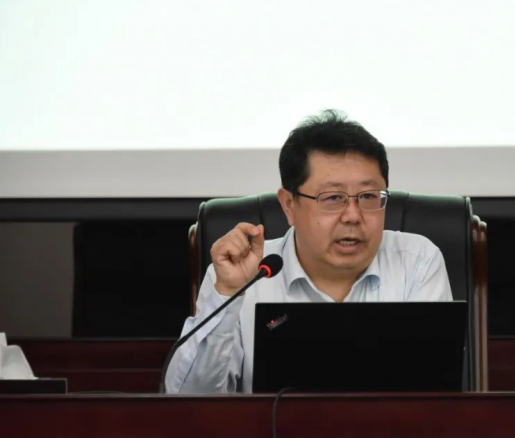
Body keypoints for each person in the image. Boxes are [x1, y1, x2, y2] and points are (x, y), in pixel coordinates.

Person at [165, 110, 452, 393]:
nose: (353, 216)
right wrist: (228, 294)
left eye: (368, 196)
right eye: (333, 198)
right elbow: (188, 402)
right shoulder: (246, 277)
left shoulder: (417, 263)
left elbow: (433, 398)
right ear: (289, 205)